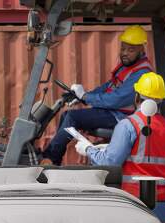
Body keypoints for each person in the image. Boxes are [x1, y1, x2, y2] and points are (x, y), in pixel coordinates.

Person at [42, 25, 152, 165]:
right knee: (66, 116)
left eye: (131, 50)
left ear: (142, 50)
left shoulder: (141, 74)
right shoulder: (127, 67)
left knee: (72, 117)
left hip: (122, 118)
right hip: (112, 112)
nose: (125, 53)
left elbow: (116, 99)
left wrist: (86, 97)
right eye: (123, 48)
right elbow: (108, 87)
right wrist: (82, 96)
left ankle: (49, 159)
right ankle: (54, 160)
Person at [74, 72, 165, 202]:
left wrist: (88, 149)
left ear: (136, 97)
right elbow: (148, 152)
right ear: (161, 100)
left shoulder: (129, 125)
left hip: (134, 199)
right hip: (162, 199)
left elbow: (108, 163)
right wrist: (110, 147)